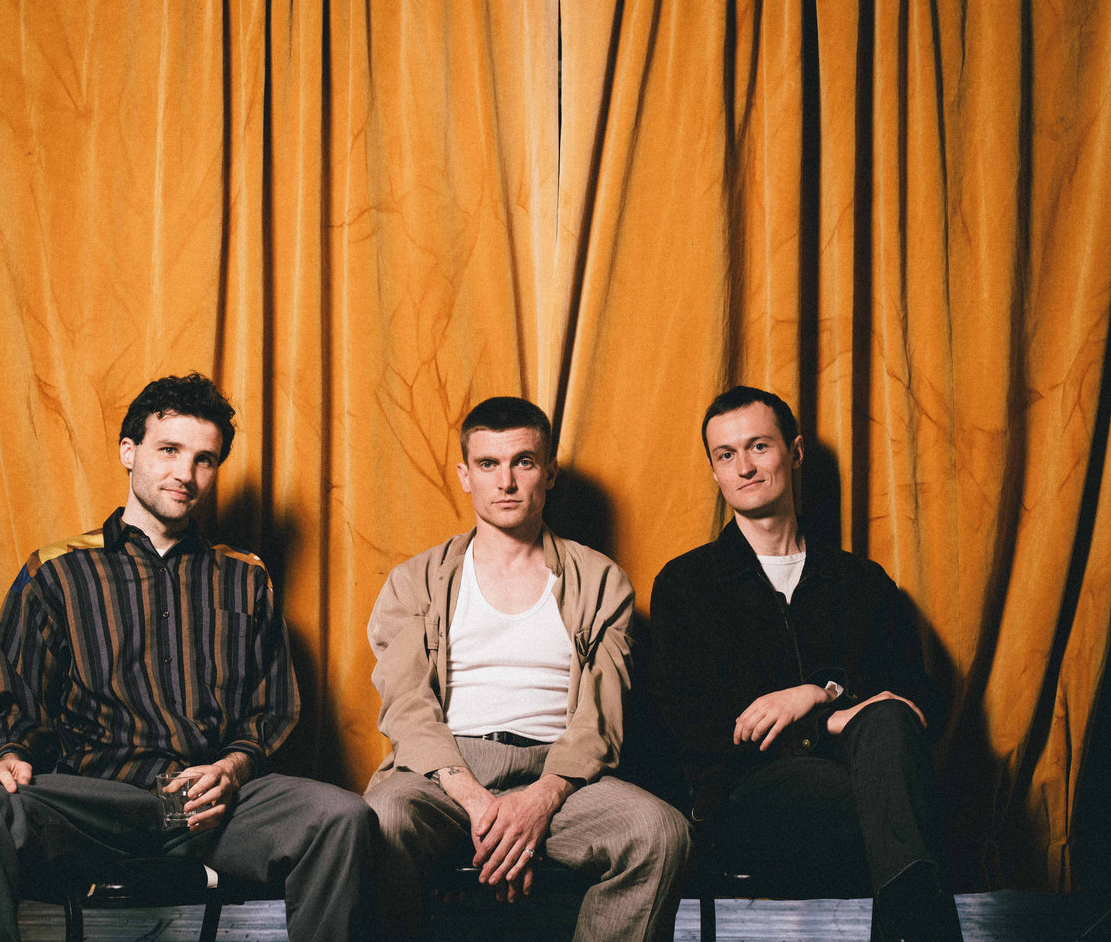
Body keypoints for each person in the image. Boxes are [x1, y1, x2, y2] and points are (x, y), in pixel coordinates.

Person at [0, 372, 378, 942]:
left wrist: (231, 770)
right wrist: (12, 754)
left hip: (215, 805)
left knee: (343, 817)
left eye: (204, 459)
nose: (186, 473)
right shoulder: (56, 572)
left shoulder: (245, 577)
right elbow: (22, 708)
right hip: (95, 804)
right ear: (128, 451)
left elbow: (270, 711)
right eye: (169, 450)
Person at [363, 396, 693, 942]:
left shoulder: (601, 580)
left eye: (523, 461)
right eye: (488, 464)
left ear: (550, 472)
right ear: (465, 476)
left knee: (660, 833)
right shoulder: (414, 580)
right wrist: (480, 805)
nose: (506, 481)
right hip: (445, 773)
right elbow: (408, 709)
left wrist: (540, 800)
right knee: (381, 821)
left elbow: (601, 719)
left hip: (562, 774)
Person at [648, 385, 963, 942]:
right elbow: (693, 728)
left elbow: (918, 704)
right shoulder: (686, 584)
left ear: (794, 453)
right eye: (726, 455)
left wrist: (820, 693)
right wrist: (832, 721)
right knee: (900, 800)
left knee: (889, 733)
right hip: (744, 797)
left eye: (759, 447)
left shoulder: (861, 582)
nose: (744, 467)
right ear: (714, 472)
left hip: (866, 779)